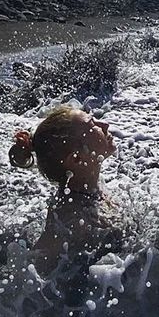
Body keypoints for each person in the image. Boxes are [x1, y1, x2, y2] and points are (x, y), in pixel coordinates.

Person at [9, 106, 119, 274]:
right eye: (93, 125)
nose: (105, 125)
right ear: (76, 158)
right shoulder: (70, 216)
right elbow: (35, 270)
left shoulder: (91, 187)